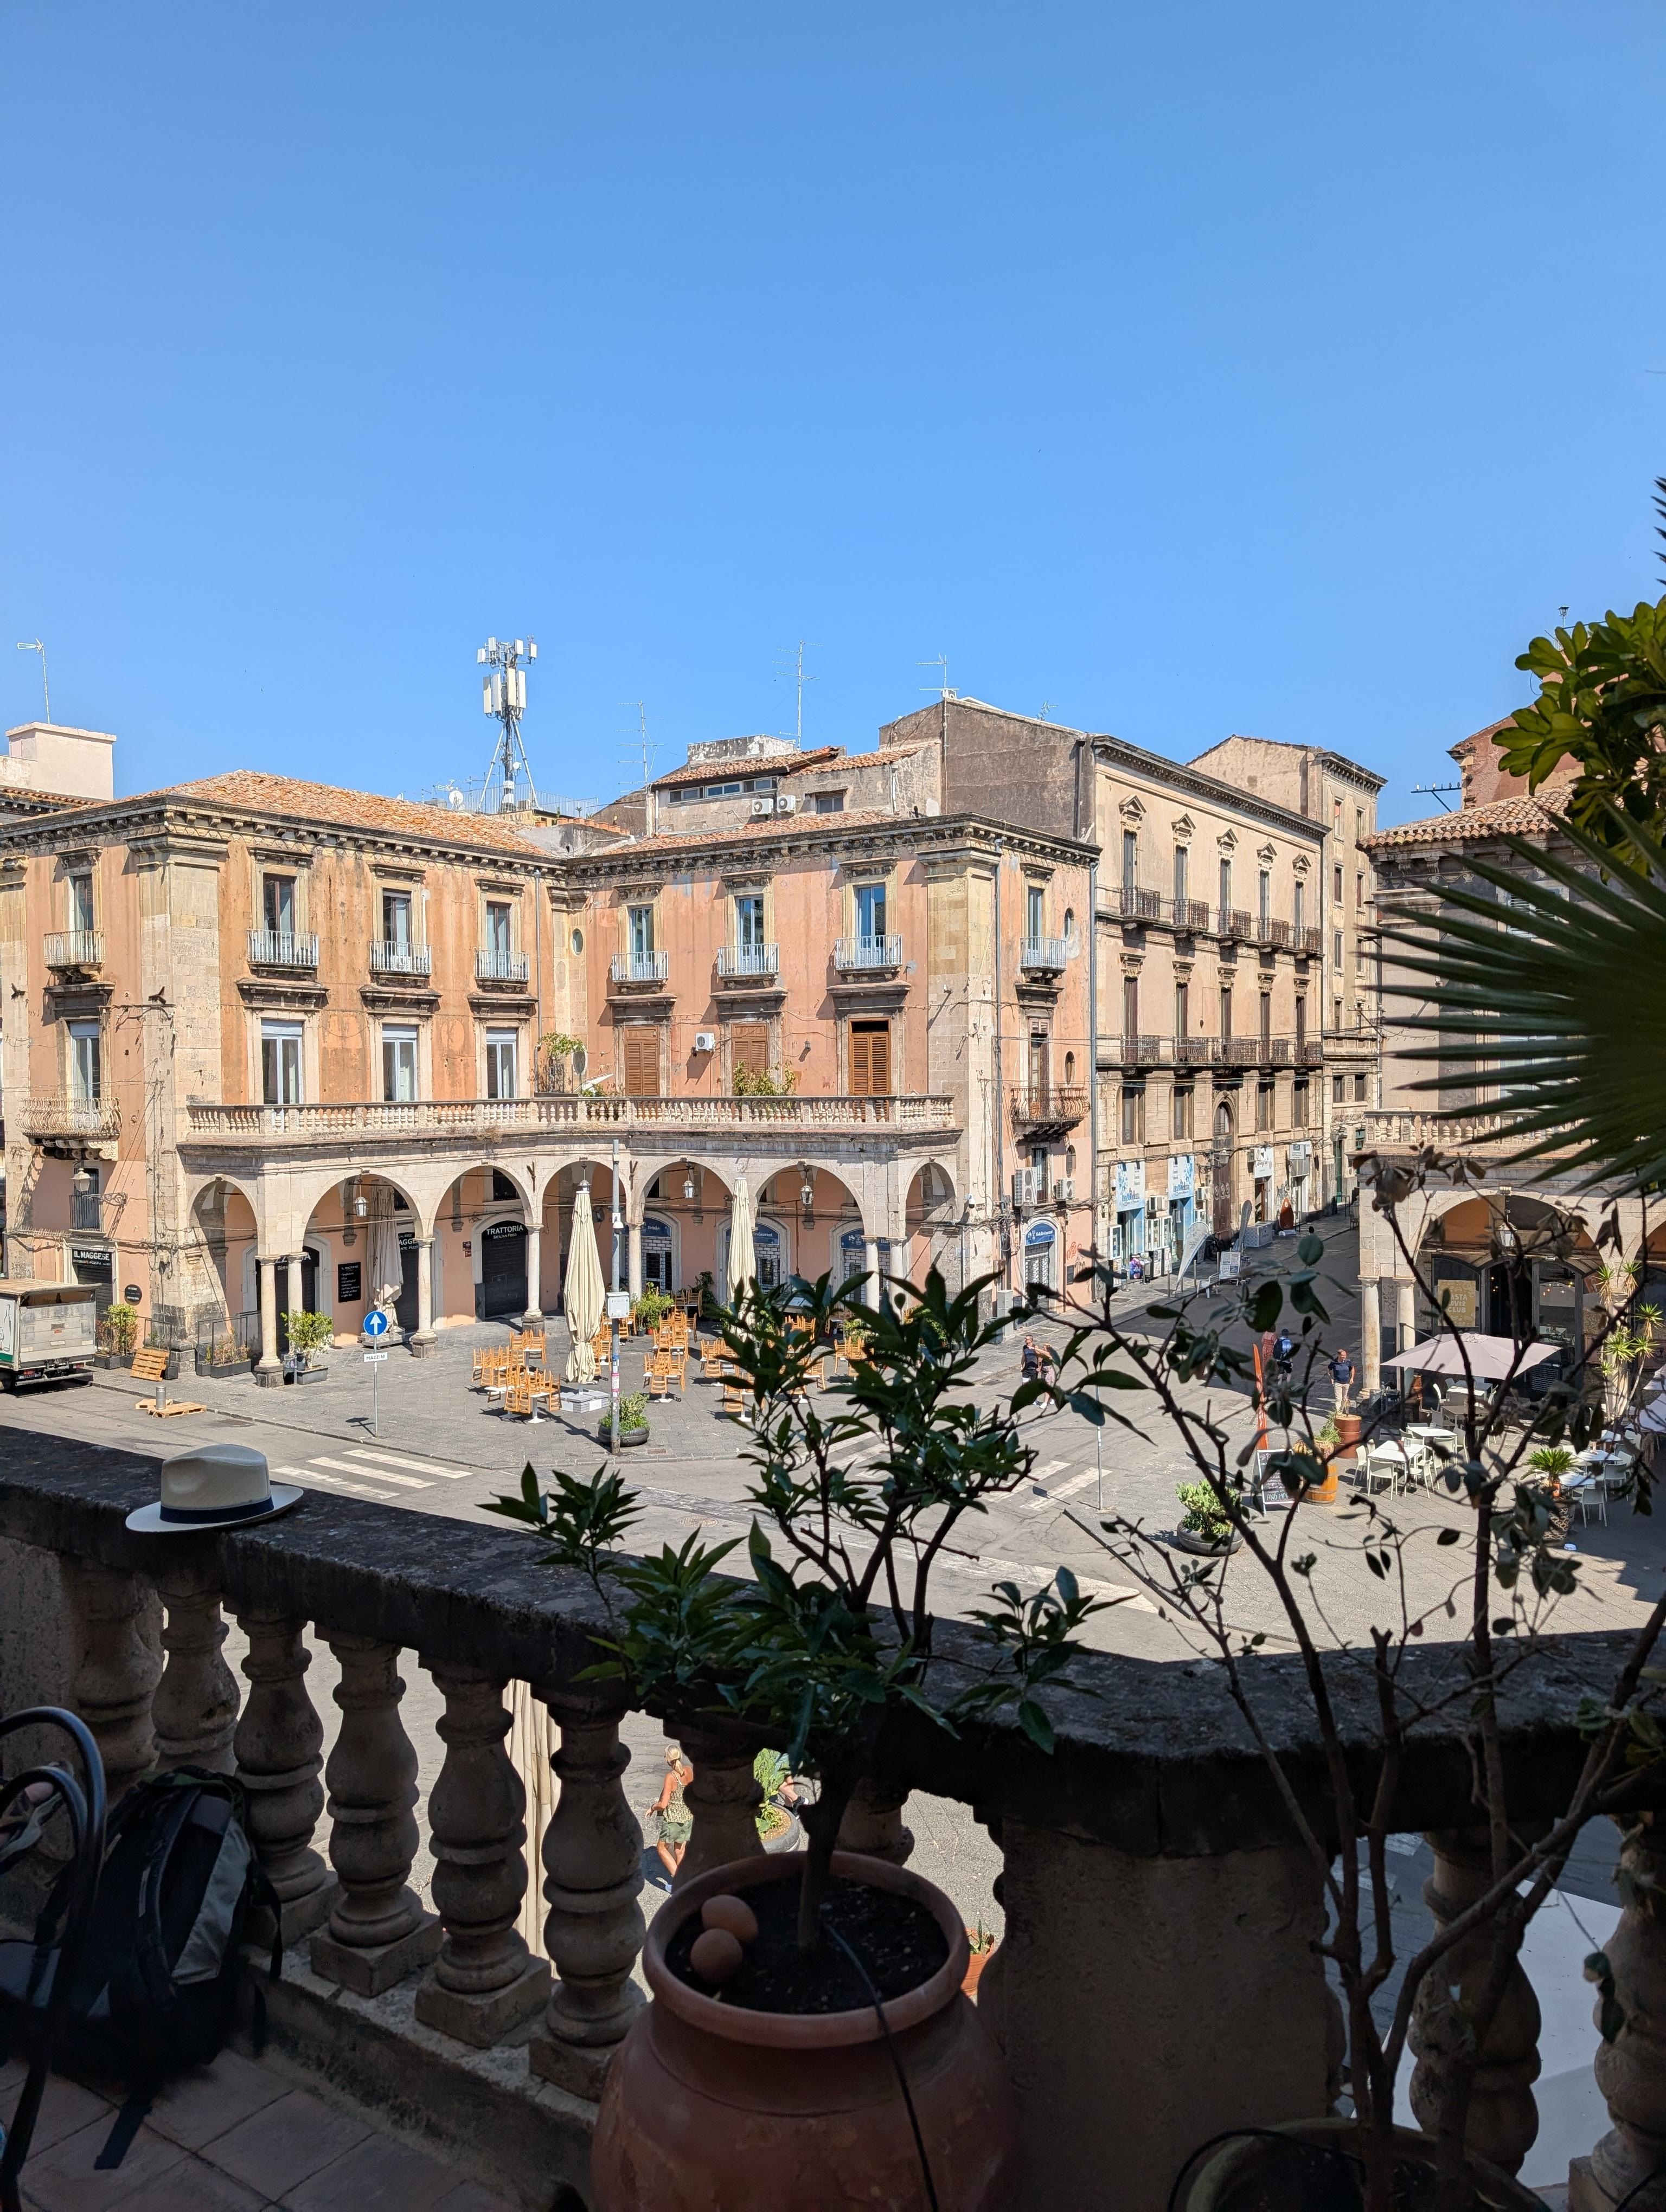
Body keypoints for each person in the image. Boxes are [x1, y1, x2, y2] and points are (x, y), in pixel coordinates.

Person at [645, 1744, 694, 1886]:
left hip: (673, 1821)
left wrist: (652, 1808)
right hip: (688, 1818)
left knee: (661, 1848)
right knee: (680, 1850)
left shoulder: (671, 1777)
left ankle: (680, 1883)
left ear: (668, 1759)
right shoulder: (689, 1771)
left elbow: (663, 1804)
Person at [1329, 1347, 1356, 1412]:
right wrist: (1331, 1378)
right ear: (1339, 1355)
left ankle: (1341, 1410)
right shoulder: (1334, 1362)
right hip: (1337, 1383)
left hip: (1346, 1383)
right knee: (1338, 1399)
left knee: (1344, 1398)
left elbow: (1352, 1369)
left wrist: (1352, 1378)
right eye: (1343, 1356)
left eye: (1345, 1355)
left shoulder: (1348, 1362)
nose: (1344, 1357)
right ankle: (1338, 1413)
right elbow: (1328, 1369)